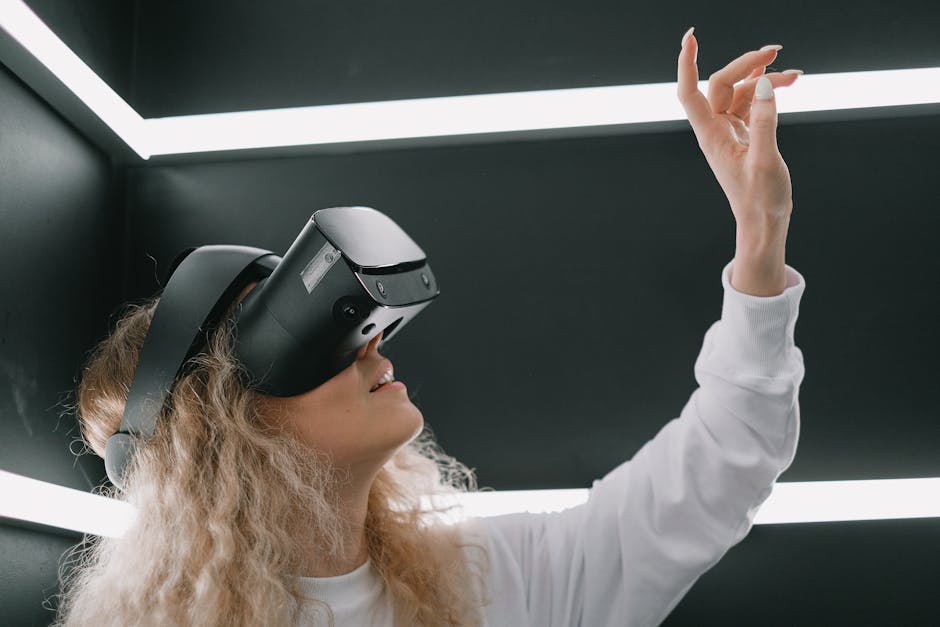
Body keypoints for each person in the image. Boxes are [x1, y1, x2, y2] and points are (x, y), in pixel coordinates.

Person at [52, 27, 806, 626]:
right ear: (227, 431)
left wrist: (760, 230)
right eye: (314, 340)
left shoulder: (491, 583)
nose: (370, 342)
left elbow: (723, 463)